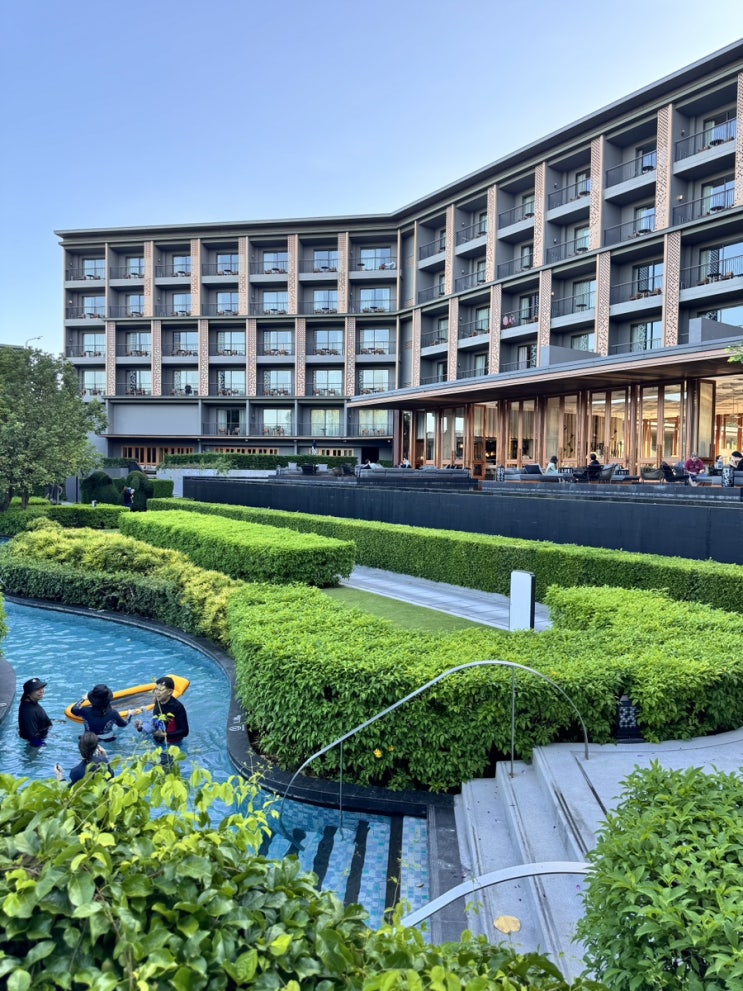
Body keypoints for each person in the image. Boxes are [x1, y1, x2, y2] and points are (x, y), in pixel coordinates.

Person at [70, 683, 136, 742]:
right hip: (107, 739)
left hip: (88, 738)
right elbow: (123, 725)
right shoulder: (113, 713)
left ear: (91, 699)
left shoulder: (85, 711)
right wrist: (130, 715)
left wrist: (83, 699)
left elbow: (73, 709)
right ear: (108, 699)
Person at [134, 676, 189, 747]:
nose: (157, 692)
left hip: (172, 744)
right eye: (156, 689)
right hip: (157, 740)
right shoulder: (158, 701)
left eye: (160, 690)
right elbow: (155, 723)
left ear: (169, 692)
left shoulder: (177, 707)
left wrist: (164, 735)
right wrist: (142, 726)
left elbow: (185, 732)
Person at [18, 677, 52, 747]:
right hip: (39, 741)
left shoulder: (31, 703)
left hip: (44, 731)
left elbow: (37, 719)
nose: (41, 691)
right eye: (37, 689)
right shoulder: (29, 712)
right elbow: (33, 737)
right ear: (28, 694)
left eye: (42, 687)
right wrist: (43, 746)